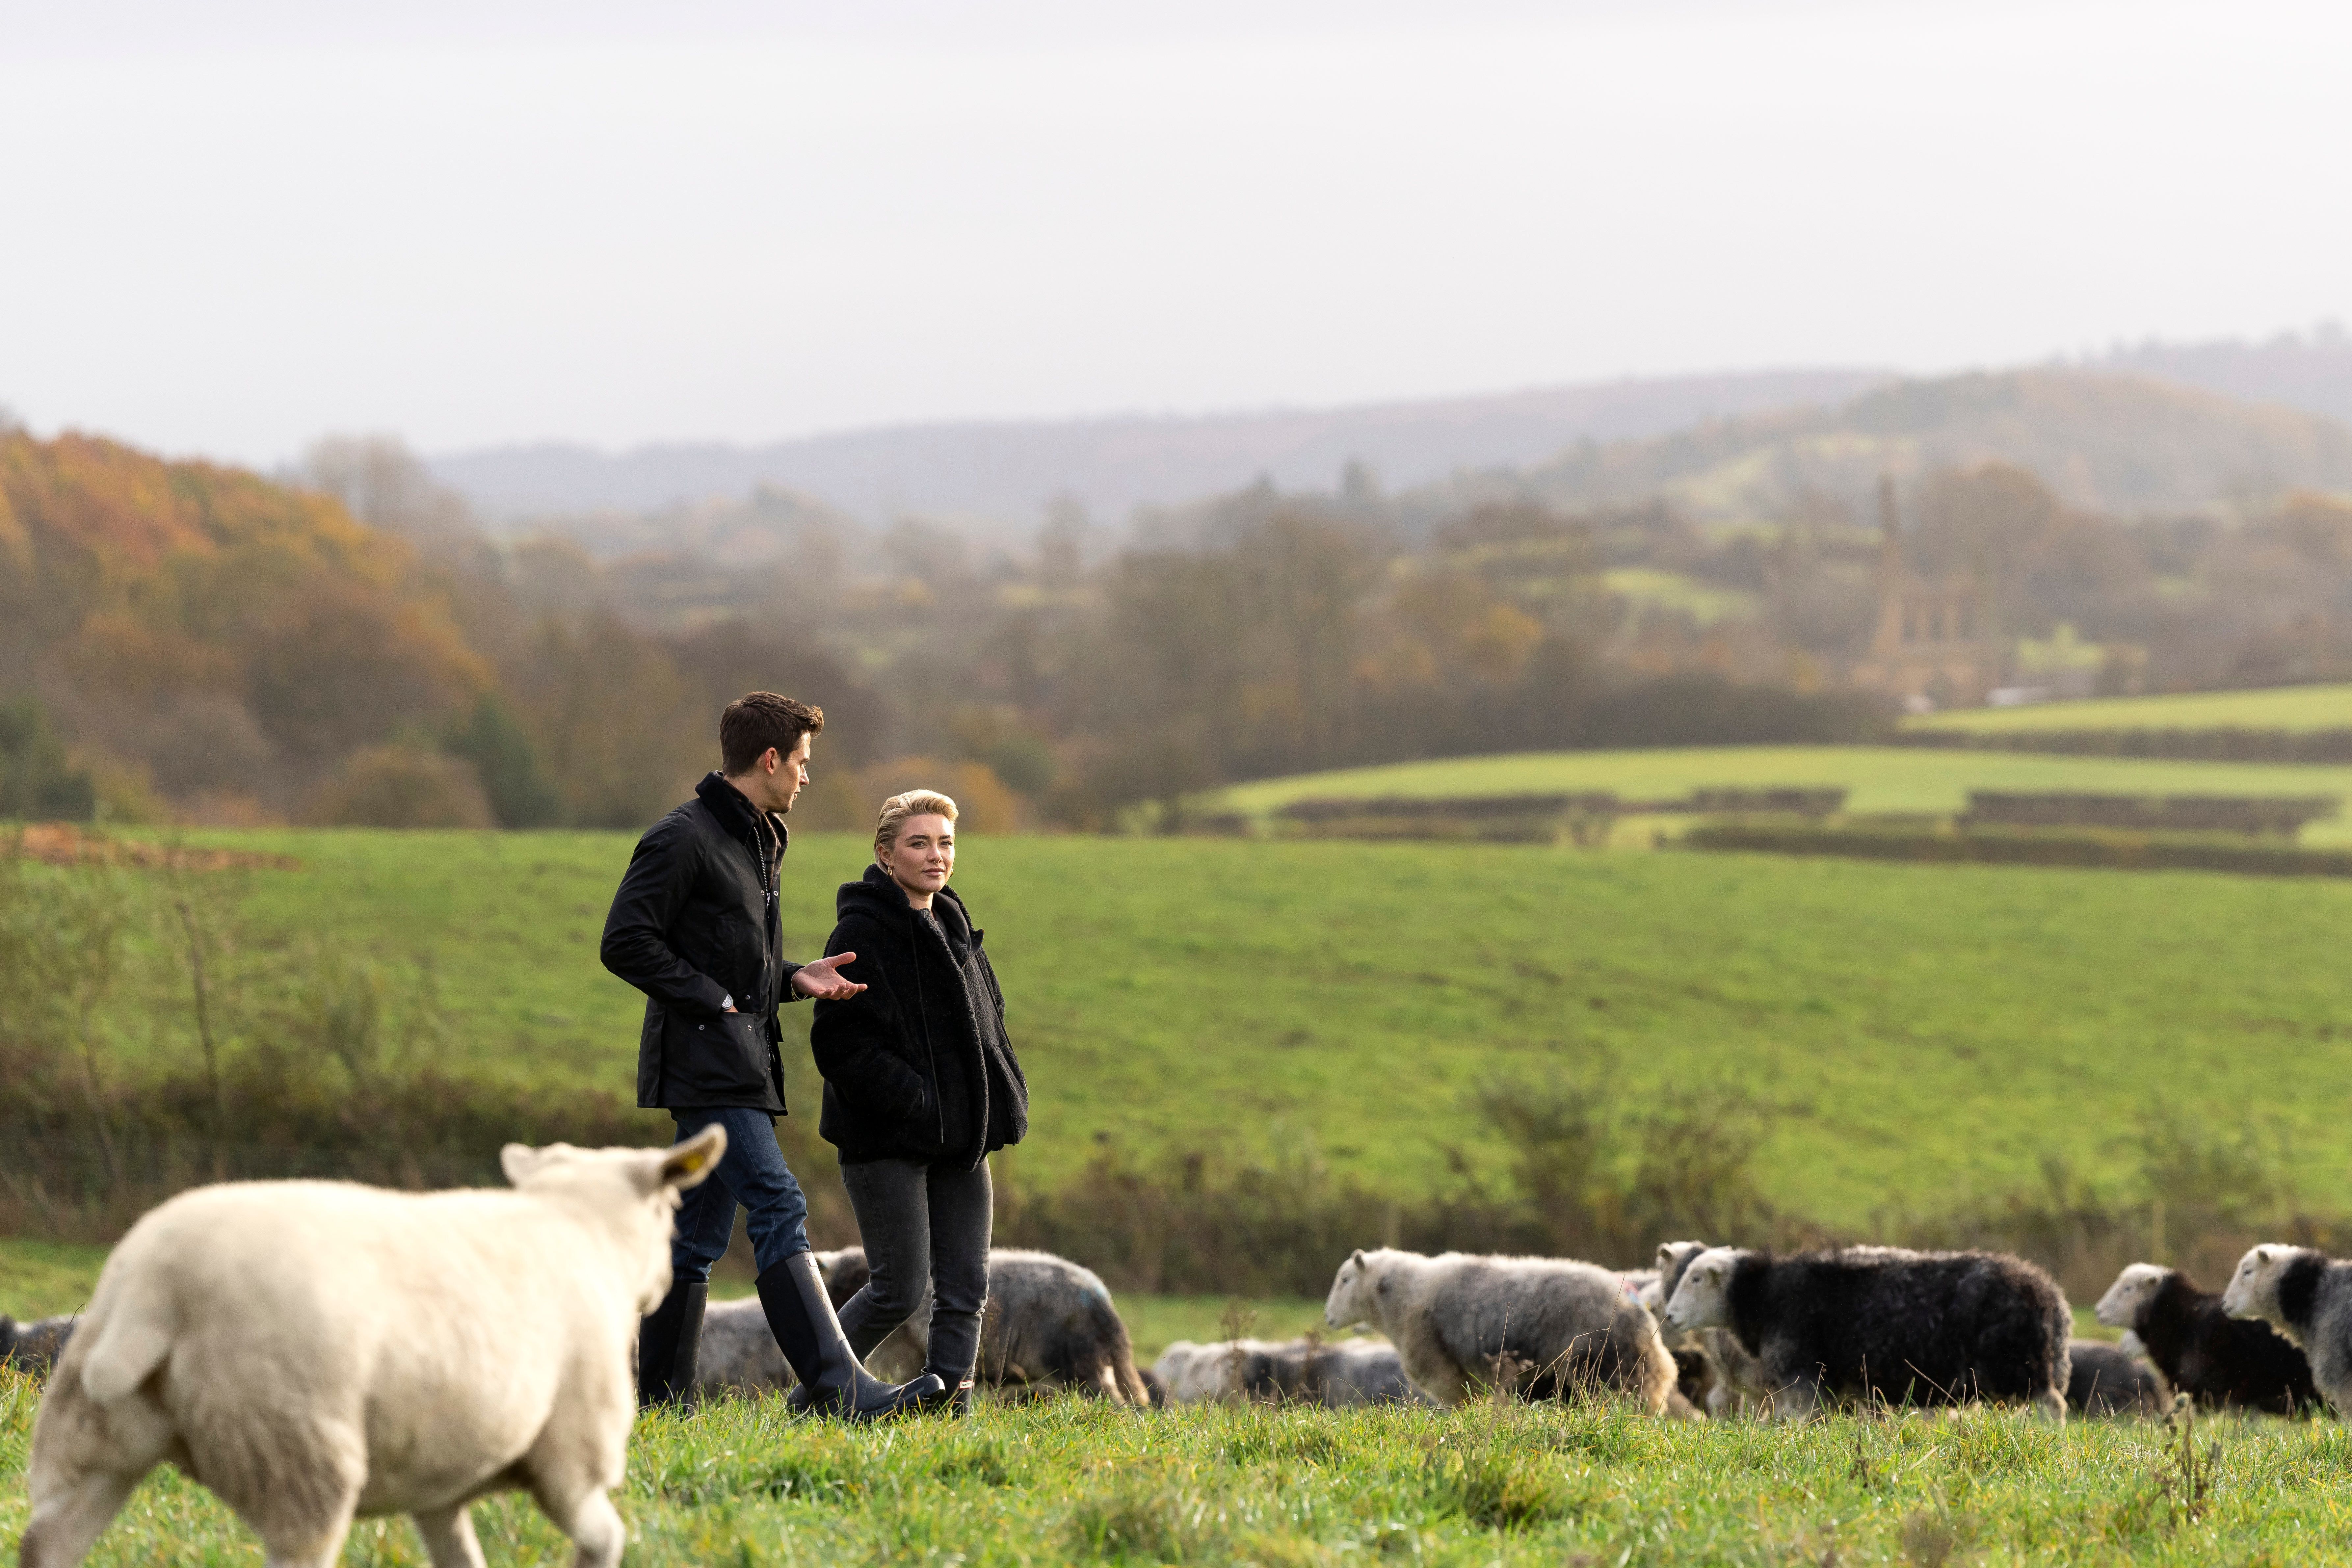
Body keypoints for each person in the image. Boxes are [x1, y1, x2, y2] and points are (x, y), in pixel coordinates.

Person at [600, 693, 941, 1418]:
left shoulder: (757, 838)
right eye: (802, 762)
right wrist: (713, 999)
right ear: (769, 759)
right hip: (706, 1064)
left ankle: (661, 1404)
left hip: (742, 1058)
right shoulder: (682, 839)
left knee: (692, 1240)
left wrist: (792, 978)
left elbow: (726, 951)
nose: (806, 777)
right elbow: (625, 941)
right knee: (779, 1204)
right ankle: (841, 1388)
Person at [807, 789, 1029, 1415]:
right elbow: (841, 1047)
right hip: (886, 1142)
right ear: (886, 855)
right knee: (897, 1291)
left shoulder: (955, 926)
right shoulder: (860, 933)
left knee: (966, 1289)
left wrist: (1002, 1095)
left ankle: (945, 1414)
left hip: (962, 1140)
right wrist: (920, 1105)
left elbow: (989, 1029)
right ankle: (811, 1398)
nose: (937, 856)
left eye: (946, 843)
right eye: (919, 843)